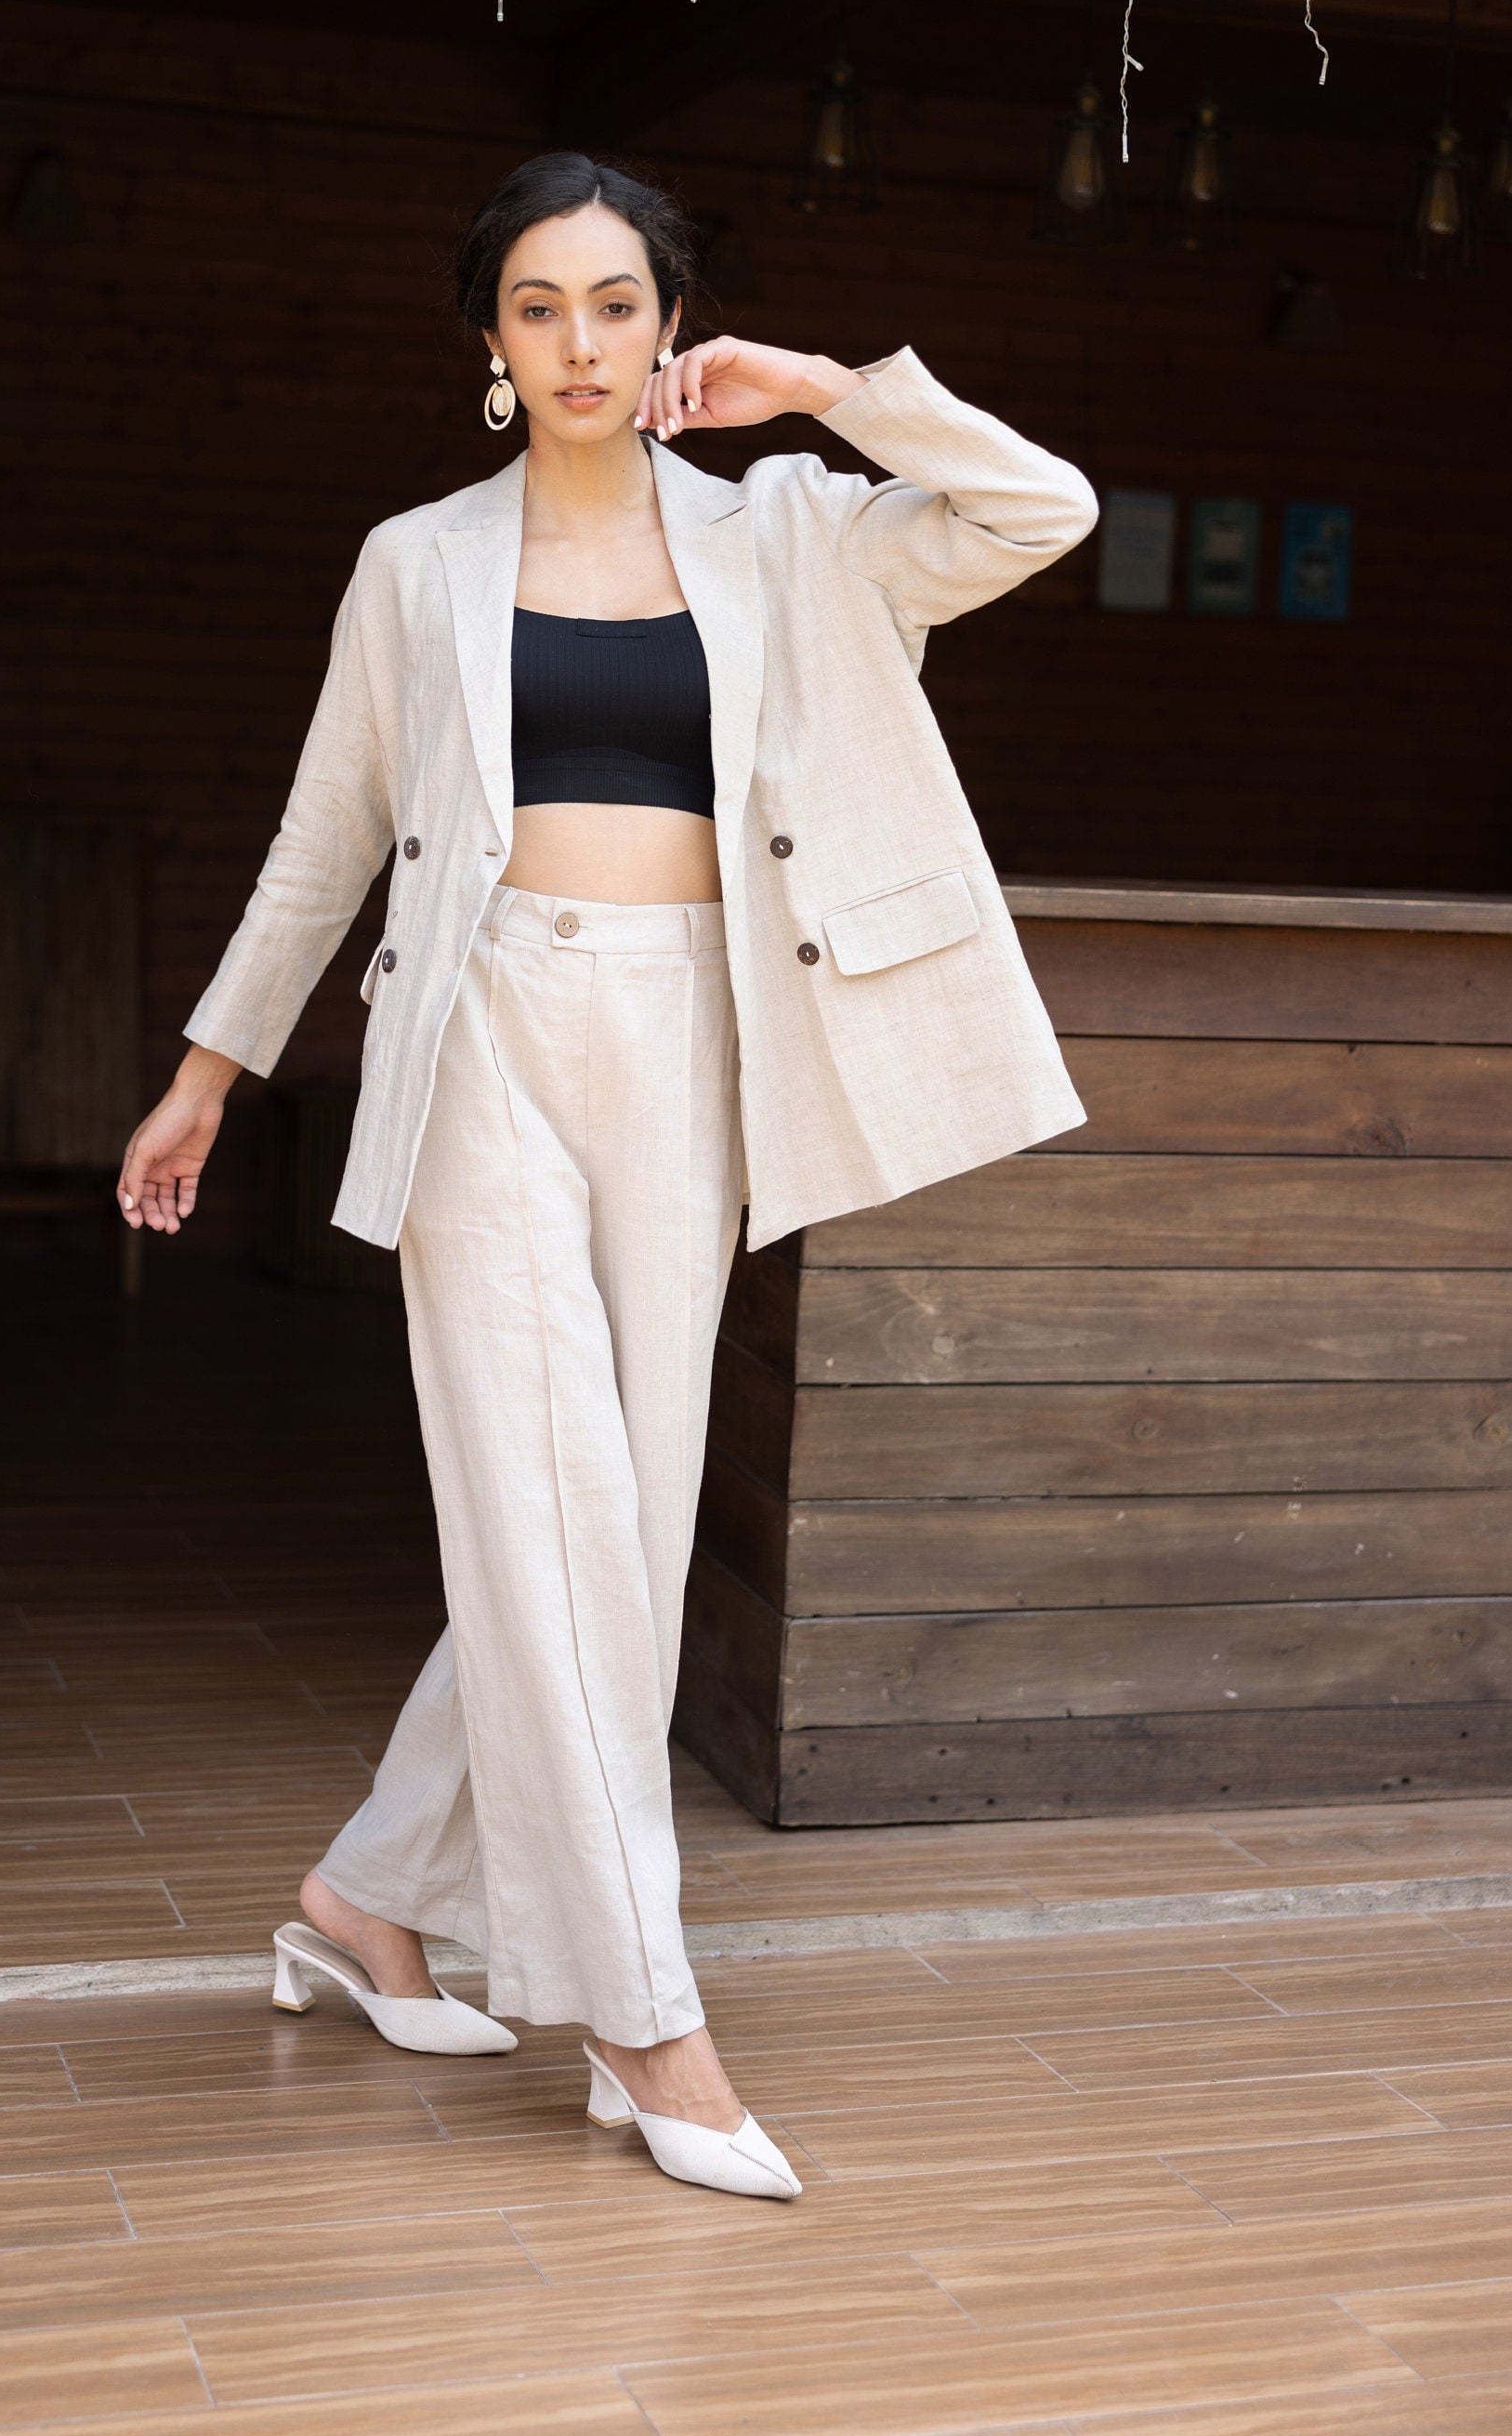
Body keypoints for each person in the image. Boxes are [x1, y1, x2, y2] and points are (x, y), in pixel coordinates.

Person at [116, 151, 1097, 2201]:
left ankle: (369, 1898)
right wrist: (210, 1072)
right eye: (539, 305)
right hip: (480, 1030)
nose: (581, 341)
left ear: (669, 322)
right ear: (489, 338)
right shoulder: (415, 564)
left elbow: (1038, 509)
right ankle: (646, 2021)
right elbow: (326, 837)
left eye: (617, 302)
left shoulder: (789, 533)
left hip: (694, 1042)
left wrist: (821, 390)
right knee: (554, 1513)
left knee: (615, 1535)